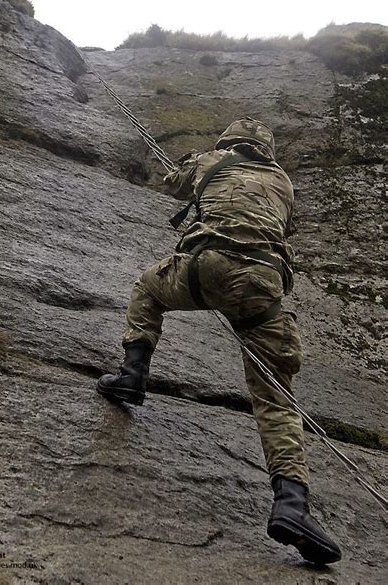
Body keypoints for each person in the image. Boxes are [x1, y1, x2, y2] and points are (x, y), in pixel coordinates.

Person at [97, 117, 341, 565]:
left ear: (230, 142)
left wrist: (192, 169)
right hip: (263, 283)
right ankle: (292, 504)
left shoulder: (212, 160)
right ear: (266, 150)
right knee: (276, 399)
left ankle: (133, 373)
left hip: (205, 266)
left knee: (148, 288)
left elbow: (173, 185)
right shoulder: (284, 183)